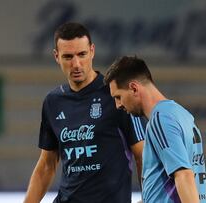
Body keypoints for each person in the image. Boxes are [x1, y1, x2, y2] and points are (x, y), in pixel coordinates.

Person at [24, 22, 145, 203]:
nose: (76, 64)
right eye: (68, 57)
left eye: (82, 54)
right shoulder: (53, 101)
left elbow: (142, 156)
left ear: (92, 51)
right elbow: (47, 165)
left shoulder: (117, 95)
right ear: (56, 57)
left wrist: (151, 198)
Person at [104, 56, 206, 203]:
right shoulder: (183, 115)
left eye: (118, 97)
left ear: (134, 88)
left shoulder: (161, 119)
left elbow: (184, 175)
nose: (117, 105)